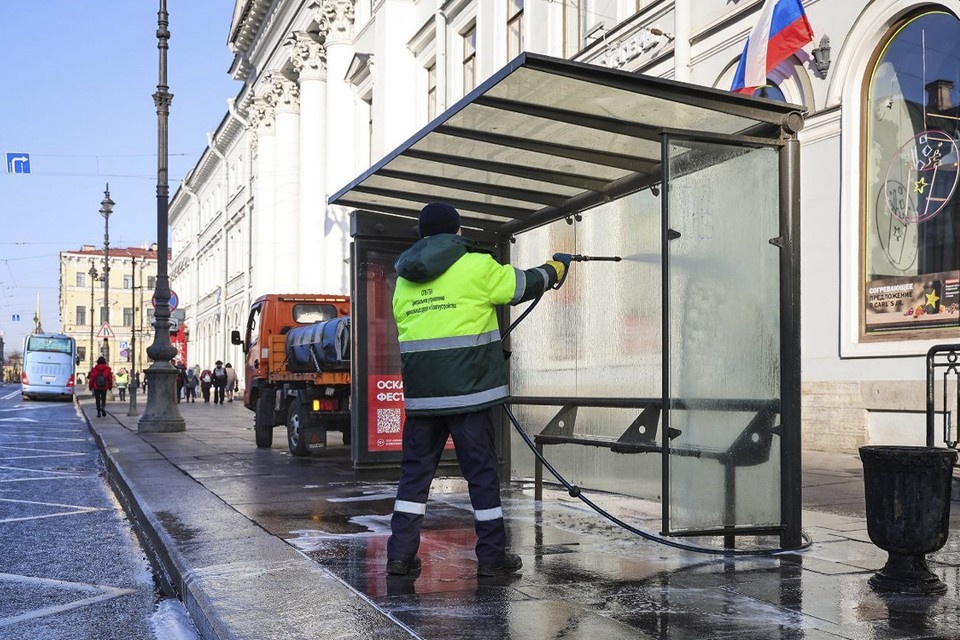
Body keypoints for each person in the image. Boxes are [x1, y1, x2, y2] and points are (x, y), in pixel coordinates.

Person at [385, 202, 571, 577]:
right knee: (482, 475)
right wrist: (555, 269)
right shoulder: (475, 265)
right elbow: (522, 285)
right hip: (469, 396)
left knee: (414, 478)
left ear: (422, 234)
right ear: (456, 231)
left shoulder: (405, 279)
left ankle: (400, 557)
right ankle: (490, 558)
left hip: (423, 400)